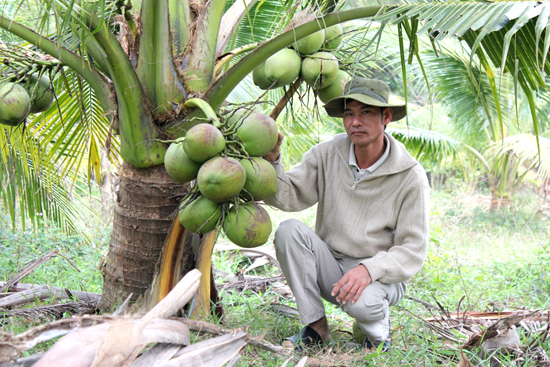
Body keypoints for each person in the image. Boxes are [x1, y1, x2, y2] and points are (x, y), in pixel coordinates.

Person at [262, 78, 430, 352]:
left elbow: (413, 250)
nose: (355, 122)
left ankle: (377, 335)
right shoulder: (327, 153)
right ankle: (316, 327)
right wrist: (273, 160)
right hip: (333, 265)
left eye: (366, 113)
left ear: (386, 116)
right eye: (349, 114)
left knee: (363, 304)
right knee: (289, 231)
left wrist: (368, 270)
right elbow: (288, 195)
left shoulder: (410, 175)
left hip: (379, 277)